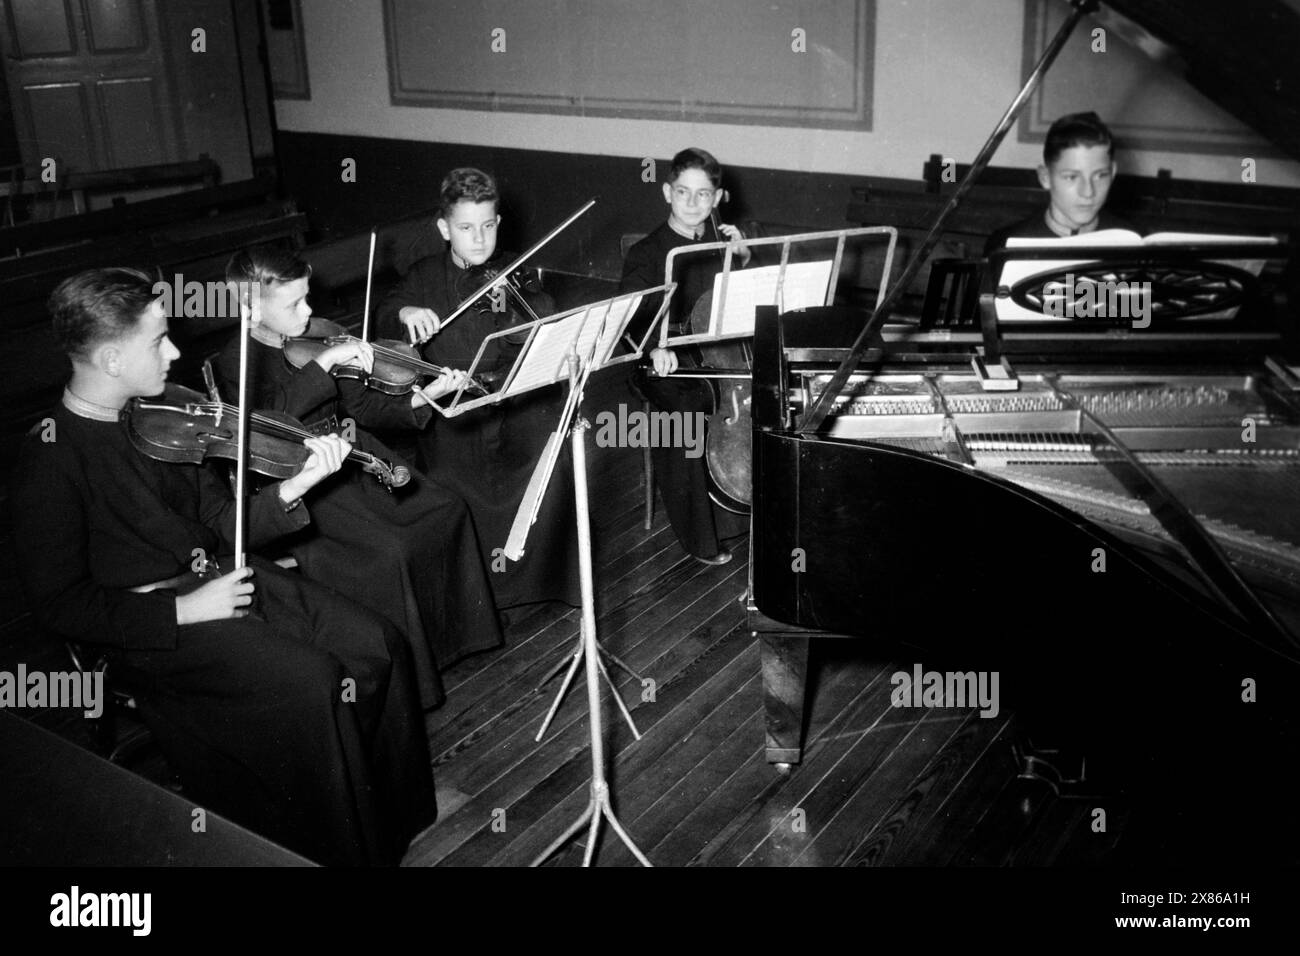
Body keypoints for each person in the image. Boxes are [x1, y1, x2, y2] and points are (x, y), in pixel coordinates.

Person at [10, 267, 436, 866]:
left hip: (223, 577)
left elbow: (220, 525)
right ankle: (325, 849)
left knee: (378, 641)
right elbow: (60, 604)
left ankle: (389, 824)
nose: (176, 352)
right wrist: (182, 610)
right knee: (311, 682)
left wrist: (298, 486)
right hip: (155, 622)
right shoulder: (48, 461)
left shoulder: (167, 415)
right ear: (109, 359)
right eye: (158, 340)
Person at [214, 246, 503, 709]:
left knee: (446, 508)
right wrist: (323, 366)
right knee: (391, 551)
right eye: (294, 305)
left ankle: (455, 641)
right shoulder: (238, 360)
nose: (309, 312)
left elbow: (363, 407)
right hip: (302, 477)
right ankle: (414, 677)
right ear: (250, 306)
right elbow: (269, 429)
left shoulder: (318, 336)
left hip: (355, 455)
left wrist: (423, 396)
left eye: (307, 298)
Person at [375, 167, 580, 610]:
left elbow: (540, 324)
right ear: (444, 228)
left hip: (511, 395)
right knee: (451, 476)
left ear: (499, 224)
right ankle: (477, 594)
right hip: (453, 400)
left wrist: (517, 310)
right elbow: (386, 313)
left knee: (552, 459)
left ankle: (546, 581)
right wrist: (408, 311)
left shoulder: (514, 272)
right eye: (466, 228)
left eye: (488, 226)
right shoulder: (424, 274)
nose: (479, 239)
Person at [618, 147, 752, 565]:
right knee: (687, 411)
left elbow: (747, 310)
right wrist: (655, 347)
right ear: (666, 192)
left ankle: (748, 507)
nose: (693, 203)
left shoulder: (723, 245)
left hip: (719, 354)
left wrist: (745, 260)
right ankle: (699, 536)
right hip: (660, 357)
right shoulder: (646, 251)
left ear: (718, 198)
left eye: (703, 194)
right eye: (682, 192)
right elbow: (628, 319)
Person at [985, 111, 1138, 254]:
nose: (1088, 192)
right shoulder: (1007, 245)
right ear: (1045, 177)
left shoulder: (1132, 242)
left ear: (1113, 173)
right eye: (1071, 177)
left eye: (1100, 176)